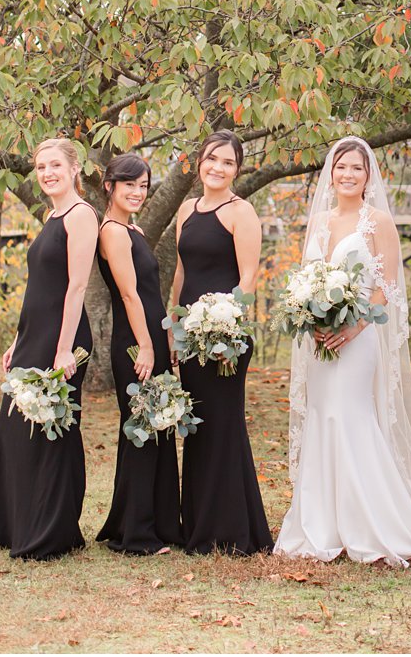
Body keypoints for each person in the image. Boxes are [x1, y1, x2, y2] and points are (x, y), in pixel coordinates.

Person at [273, 137, 411, 566]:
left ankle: (372, 522)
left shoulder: (378, 221)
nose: (348, 174)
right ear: (330, 174)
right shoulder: (318, 221)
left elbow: (388, 288)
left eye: (356, 168)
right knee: (321, 415)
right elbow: (306, 278)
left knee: (350, 415)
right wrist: (310, 317)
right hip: (319, 341)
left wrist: (352, 328)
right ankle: (322, 523)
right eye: (340, 167)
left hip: (359, 336)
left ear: (368, 175)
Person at [0, 137, 97, 560]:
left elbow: (76, 286)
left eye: (55, 165)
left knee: (50, 430)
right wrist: (17, 339)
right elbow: (39, 287)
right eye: (41, 167)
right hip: (34, 334)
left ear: (74, 168)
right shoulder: (51, 214)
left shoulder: (81, 215)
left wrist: (63, 350)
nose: (47, 173)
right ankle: (11, 523)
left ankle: (51, 531)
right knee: (17, 429)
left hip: (62, 337)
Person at [169, 131, 271, 555]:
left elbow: (248, 278)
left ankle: (231, 531)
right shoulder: (186, 209)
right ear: (200, 163)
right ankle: (198, 524)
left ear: (237, 169)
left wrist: (228, 327)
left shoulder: (241, 211)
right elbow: (180, 272)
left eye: (227, 162)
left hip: (225, 338)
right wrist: (173, 327)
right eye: (212, 159)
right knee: (198, 428)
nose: (218, 167)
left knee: (223, 426)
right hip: (190, 336)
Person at [94, 153, 180, 554]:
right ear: (110, 186)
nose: (138, 192)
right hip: (135, 341)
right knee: (142, 431)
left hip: (152, 337)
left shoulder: (132, 230)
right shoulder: (112, 231)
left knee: (154, 430)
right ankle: (137, 536)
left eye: (144, 185)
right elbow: (129, 294)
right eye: (129, 184)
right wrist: (146, 345)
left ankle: (151, 525)